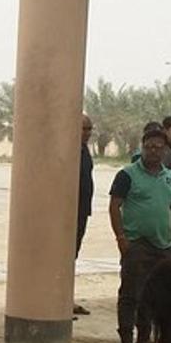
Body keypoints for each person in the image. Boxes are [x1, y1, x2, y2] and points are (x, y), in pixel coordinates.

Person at [109, 127, 171, 343]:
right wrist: (121, 238)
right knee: (130, 293)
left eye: (158, 147)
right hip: (137, 244)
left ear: (165, 151)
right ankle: (126, 340)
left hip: (165, 246)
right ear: (142, 147)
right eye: (149, 146)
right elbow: (114, 206)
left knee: (155, 295)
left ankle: (144, 338)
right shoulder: (127, 174)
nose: (153, 151)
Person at [74, 114, 95, 316]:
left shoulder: (84, 151)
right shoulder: (70, 150)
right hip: (69, 213)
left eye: (89, 129)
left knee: (73, 255)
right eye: (83, 129)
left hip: (82, 211)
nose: (87, 133)